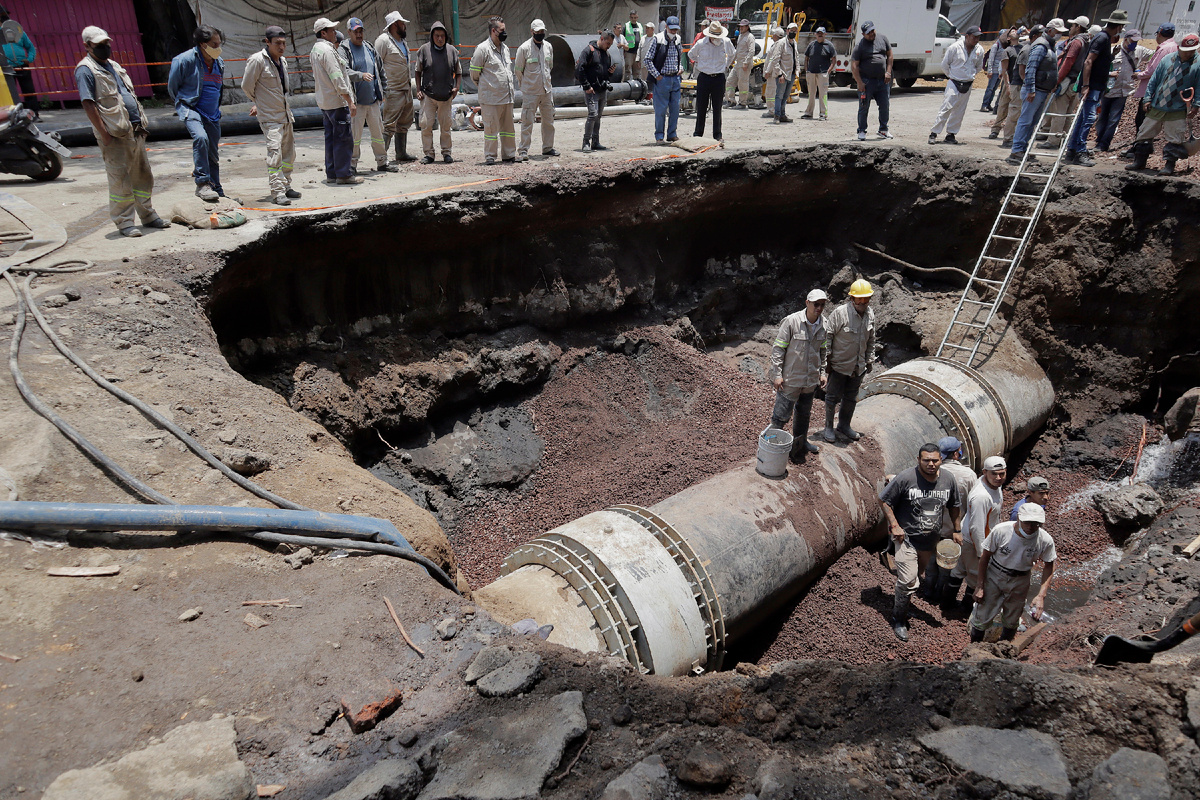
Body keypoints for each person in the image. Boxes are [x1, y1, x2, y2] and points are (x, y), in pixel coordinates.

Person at [74, 26, 170, 238]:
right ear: (87, 46)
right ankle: (125, 222)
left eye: (106, 43)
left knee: (143, 176)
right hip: (114, 135)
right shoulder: (85, 70)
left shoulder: (114, 66)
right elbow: (89, 104)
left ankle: (148, 215)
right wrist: (104, 134)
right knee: (120, 180)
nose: (105, 48)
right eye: (99, 45)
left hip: (134, 131)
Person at [879, 443, 963, 642]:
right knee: (909, 580)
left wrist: (957, 529)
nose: (931, 464)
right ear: (919, 460)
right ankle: (898, 618)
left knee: (916, 576)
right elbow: (884, 500)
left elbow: (954, 505)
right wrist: (894, 526)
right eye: (926, 460)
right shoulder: (906, 478)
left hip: (929, 541)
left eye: (935, 460)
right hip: (906, 538)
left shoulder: (948, 479)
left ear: (941, 460)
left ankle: (905, 604)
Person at [970, 502, 1056, 643]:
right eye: (1027, 522)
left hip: (1021, 579)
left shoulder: (1045, 540)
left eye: (1035, 524)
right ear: (1019, 519)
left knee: (1013, 618)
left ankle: (1004, 648)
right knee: (983, 614)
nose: (1030, 527)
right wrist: (980, 585)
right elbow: (985, 557)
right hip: (995, 574)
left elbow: (1049, 565)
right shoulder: (1001, 531)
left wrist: (1041, 595)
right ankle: (974, 646)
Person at [242, 25, 300, 206]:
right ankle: (277, 192)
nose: (281, 47)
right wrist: (260, 103)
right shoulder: (257, 61)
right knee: (274, 155)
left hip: (285, 115)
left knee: (289, 155)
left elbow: (283, 90)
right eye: (277, 43)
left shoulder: (283, 61)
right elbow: (246, 86)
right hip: (270, 118)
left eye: (283, 43)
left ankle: (286, 185)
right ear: (267, 42)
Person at [1127, 33, 1200, 175]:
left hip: (1178, 108)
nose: (1189, 53)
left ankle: (1169, 165)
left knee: (1175, 137)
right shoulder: (1167, 59)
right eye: (1186, 51)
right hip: (1158, 104)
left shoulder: (1198, 64)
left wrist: (1196, 105)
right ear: (1179, 47)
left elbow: (1199, 86)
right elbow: (1153, 80)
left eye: (1192, 50)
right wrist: (1147, 98)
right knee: (1145, 133)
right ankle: (1139, 161)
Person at [769, 290, 829, 463]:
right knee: (780, 416)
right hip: (791, 380)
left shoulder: (824, 324)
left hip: (810, 380)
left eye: (822, 305)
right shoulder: (792, 321)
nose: (819, 308)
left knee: (804, 413)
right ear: (807, 303)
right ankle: (772, 448)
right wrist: (777, 375)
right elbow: (778, 349)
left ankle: (800, 443)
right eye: (815, 304)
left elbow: (823, 351)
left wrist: (823, 372)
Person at [168, 26, 226, 201]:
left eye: (219, 44)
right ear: (202, 44)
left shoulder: (219, 63)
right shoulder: (184, 61)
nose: (218, 48)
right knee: (201, 138)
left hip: (212, 113)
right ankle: (202, 183)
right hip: (191, 108)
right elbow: (173, 88)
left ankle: (217, 188)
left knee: (213, 154)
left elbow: (219, 89)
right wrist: (183, 104)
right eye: (214, 44)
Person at [1064, 10, 1127, 166]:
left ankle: (1072, 149)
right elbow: (1088, 62)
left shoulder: (1103, 39)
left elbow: (1098, 63)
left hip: (1096, 85)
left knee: (1082, 118)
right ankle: (1079, 151)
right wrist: (1086, 85)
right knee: (1088, 119)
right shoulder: (1102, 38)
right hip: (1092, 86)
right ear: (1119, 27)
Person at [948, 455, 1006, 611]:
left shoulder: (992, 484)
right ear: (985, 472)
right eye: (994, 474)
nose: (998, 477)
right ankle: (965, 608)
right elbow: (977, 528)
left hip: (970, 536)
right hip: (974, 541)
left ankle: (946, 603)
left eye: (1002, 473)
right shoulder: (981, 496)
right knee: (975, 576)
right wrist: (982, 553)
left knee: (959, 569)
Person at [925, 436, 978, 601]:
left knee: (930, 564)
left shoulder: (929, 471)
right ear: (956, 454)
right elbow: (972, 504)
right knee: (946, 567)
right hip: (952, 532)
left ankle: (927, 591)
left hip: (929, 529)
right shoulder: (968, 475)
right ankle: (939, 595)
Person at [823, 279, 874, 443]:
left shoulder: (870, 314)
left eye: (866, 299)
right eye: (859, 299)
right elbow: (827, 337)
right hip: (839, 365)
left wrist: (869, 359)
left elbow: (871, 339)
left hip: (858, 366)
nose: (862, 302)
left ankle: (844, 425)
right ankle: (829, 428)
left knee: (851, 398)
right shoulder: (840, 313)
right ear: (852, 298)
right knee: (832, 397)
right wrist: (827, 363)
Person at [340, 19, 393, 174]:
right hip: (356, 104)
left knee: (378, 135)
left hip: (373, 101)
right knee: (354, 137)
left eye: (361, 31)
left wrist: (384, 90)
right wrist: (360, 75)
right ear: (349, 32)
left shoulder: (369, 47)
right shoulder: (344, 50)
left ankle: (382, 162)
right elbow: (344, 71)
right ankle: (352, 165)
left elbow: (380, 70)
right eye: (355, 31)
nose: (359, 34)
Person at [310, 17, 360, 185]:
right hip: (337, 102)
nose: (334, 33)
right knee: (343, 139)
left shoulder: (315, 50)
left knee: (331, 138)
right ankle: (344, 174)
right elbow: (337, 77)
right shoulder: (328, 51)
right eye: (331, 30)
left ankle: (332, 173)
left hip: (325, 103)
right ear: (323, 33)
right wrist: (349, 100)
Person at [1006, 24, 1060, 165]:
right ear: (1049, 31)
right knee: (1025, 121)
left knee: (1032, 122)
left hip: (1042, 90)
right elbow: (1030, 68)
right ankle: (1017, 150)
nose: (1059, 35)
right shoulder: (1040, 46)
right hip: (1035, 91)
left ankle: (1022, 149)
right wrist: (1031, 89)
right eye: (1057, 32)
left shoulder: (1048, 46)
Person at [1094, 29, 1151, 151]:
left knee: (1114, 118)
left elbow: (1156, 55)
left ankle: (1104, 144)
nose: (1134, 44)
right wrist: (1110, 73)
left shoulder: (1139, 51)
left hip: (1123, 91)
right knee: (1102, 117)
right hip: (1108, 90)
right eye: (1132, 41)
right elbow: (1099, 68)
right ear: (1125, 39)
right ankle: (1099, 139)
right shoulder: (1112, 51)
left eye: (1136, 42)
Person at [470, 16, 517, 165]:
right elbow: (474, 74)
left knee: (508, 130)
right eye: (502, 30)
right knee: (491, 130)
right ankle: (490, 156)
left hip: (507, 98)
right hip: (491, 99)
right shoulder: (482, 49)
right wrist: (487, 88)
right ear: (493, 31)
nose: (505, 33)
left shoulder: (505, 49)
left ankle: (509, 155)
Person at [1036, 17, 1088, 151]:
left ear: (1078, 26)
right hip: (1076, 82)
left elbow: (1068, 62)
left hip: (1068, 81)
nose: (1071, 28)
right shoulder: (1087, 41)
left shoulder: (1076, 42)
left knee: (1059, 113)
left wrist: (1057, 80)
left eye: (1073, 26)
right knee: (1068, 113)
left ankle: (1053, 140)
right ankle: (1064, 140)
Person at [414, 21, 460, 164]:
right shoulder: (424, 50)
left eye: (442, 36)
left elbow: (458, 72)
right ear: (432, 36)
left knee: (445, 127)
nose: (440, 39)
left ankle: (446, 153)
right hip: (428, 95)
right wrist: (418, 89)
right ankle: (429, 154)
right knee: (426, 125)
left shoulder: (452, 51)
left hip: (446, 96)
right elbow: (417, 71)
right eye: (437, 36)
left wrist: (456, 87)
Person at [929, 25, 984, 145]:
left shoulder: (979, 49)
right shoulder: (955, 47)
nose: (976, 40)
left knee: (959, 111)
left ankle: (951, 134)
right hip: (954, 81)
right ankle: (934, 133)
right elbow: (945, 65)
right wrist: (952, 76)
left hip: (968, 83)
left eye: (978, 37)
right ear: (967, 36)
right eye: (974, 37)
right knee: (946, 108)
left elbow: (979, 66)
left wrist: (969, 75)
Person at [375, 11, 417, 165]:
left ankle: (401, 153)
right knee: (388, 125)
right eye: (401, 23)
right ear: (394, 25)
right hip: (392, 90)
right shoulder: (383, 41)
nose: (404, 26)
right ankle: (381, 158)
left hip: (406, 88)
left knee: (404, 122)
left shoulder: (402, 42)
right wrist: (380, 90)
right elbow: (376, 66)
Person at [513, 20, 557, 161]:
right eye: (537, 32)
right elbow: (518, 70)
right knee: (527, 121)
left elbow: (549, 66)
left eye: (542, 32)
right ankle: (523, 150)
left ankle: (548, 148)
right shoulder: (524, 48)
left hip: (546, 91)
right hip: (530, 92)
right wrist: (526, 85)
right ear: (531, 32)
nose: (540, 34)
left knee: (548, 121)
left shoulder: (548, 47)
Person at [1127, 23, 1177, 144]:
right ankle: (1142, 146)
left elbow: (1153, 70)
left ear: (1159, 34)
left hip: (1152, 90)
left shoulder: (1164, 49)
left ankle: (1139, 148)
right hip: (1164, 89)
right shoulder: (1175, 47)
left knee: (1142, 120)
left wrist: (1138, 75)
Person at [689, 20, 734, 140]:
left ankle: (717, 134)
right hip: (704, 77)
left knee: (717, 107)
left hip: (718, 78)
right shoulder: (701, 43)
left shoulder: (726, 42)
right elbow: (691, 55)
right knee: (701, 107)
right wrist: (700, 63)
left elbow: (732, 54)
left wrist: (726, 65)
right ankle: (698, 133)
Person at [644, 16, 684, 143]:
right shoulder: (658, 39)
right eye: (671, 29)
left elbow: (680, 57)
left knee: (675, 109)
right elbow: (647, 59)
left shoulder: (678, 39)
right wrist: (657, 75)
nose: (673, 32)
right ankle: (659, 136)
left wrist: (680, 68)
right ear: (666, 27)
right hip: (663, 80)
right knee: (660, 110)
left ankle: (672, 134)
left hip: (675, 79)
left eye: (675, 30)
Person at [851, 20, 893, 141]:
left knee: (885, 106)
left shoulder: (883, 39)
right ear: (863, 34)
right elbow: (854, 66)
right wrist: (859, 82)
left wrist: (888, 72)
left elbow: (890, 55)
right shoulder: (860, 46)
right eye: (869, 32)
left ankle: (883, 129)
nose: (872, 34)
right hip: (867, 81)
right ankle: (862, 130)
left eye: (873, 30)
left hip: (882, 81)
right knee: (864, 107)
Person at [576, 30, 616, 152]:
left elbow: (603, 72)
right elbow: (579, 69)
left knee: (598, 116)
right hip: (591, 90)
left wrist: (609, 73)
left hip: (601, 90)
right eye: (608, 43)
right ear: (602, 39)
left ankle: (595, 141)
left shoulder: (606, 54)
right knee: (593, 115)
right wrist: (587, 86)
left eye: (610, 44)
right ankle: (586, 142)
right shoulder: (589, 51)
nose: (609, 46)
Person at [0, 7, 38, 119]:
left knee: (29, 91)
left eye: (6, 15)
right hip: (6, 68)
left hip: (22, 66)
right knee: (12, 93)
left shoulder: (19, 32)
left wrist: (29, 59)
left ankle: (34, 114)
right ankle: (13, 116)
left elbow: (30, 47)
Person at [988, 29, 1021, 142]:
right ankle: (995, 129)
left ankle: (1012, 131)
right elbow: (1004, 70)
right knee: (1003, 107)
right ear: (1008, 38)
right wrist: (1007, 86)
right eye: (1011, 32)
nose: (1015, 32)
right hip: (1009, 82)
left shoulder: (1022, 47)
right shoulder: (1007, 50)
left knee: (1015, 109)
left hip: (1018, 83)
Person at [765, 23, 799, 123]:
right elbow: (775, 60)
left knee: (785, 96)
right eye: (791, 31)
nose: (793, 33)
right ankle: (777, 116)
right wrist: (780, 74)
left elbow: (796, 57)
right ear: (787, 31)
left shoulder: (794, 43)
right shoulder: (781, 43)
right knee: (779, 96)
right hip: (783, 75)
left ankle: (782, 115)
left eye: (795, 31)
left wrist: (797, 70)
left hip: (791, 74)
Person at [802, 26, 835, 120]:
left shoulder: (829, 46)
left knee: (823, 94)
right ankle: (808, 113)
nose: (820, 34)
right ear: (815, 34)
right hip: (811, 73)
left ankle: (823, 114)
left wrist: (828, 71)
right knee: (811, 94)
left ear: (825, 34)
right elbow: (806, 58)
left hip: (823, 74)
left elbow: (833, 59)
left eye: (821, 33)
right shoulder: (811, 45)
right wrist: (806, 70)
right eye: (818, 33)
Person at [724, 19, 755, 110]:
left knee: (742, 84)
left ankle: (742, 103)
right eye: (740, 26)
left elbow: (751, 51)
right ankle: (731, 101)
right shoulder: (741, 36)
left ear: (747, 27)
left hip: (744, 64)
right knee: (730, 81)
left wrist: (746, 62)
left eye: (742, 26)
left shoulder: (750, 37)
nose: (740, 28)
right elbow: (737, 51)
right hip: (738, 64)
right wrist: (732, 61)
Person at [979, 30, 1006, 112]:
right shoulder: (996, 46)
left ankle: (988, 104)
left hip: (1000, 71)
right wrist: (990, 71)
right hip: (994, 70)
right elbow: (991, 59)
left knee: (994, 89)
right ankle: (984, 105)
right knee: (990, 88)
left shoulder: (1004, 46)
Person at [760, 26, 784, 118]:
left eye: (773, 34)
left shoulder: (777, 45)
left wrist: (767, 71)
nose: (772, 35)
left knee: (770, 93)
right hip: (776, 73)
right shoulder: (781, 44)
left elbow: (772, 60)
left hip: (773, 73)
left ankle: (772, 110)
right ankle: (776, 110)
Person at [619, 10, 644, 83]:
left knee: (637, 70)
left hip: (638, 51)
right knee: (628, 69)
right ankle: (627, 84)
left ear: (637, 17)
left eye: (635, 17)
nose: (634, 19)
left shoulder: (640, 25)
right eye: (632, 17)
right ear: (630, 17)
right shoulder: (626, 26)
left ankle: (637, 85)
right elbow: (622, 38)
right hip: (629, 51)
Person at [636, 22, 656, 105]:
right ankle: (645, 96)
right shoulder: (643, 38)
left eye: (648, 28)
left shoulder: (656, 38)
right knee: (644, 80)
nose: (646, 29)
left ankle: (652, 97)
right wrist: (638, 59)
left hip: (652, 64)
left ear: (652, 29)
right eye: (646, 28)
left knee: (651, 81)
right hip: (643, 63)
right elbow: (639, 49)